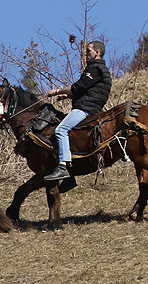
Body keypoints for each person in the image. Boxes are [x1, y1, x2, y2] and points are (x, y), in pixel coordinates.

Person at [44, 40, 112, 181]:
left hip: (86, 109)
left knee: (60, 130)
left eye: (88, 51)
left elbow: (78, 87)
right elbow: (86, 90)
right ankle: (70, 179)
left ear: (97, 52)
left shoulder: (96, 69)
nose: (85, 53)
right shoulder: (97, 69)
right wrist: (66, 95)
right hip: (88, 107)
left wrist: (56, 91)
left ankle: (62, 167)